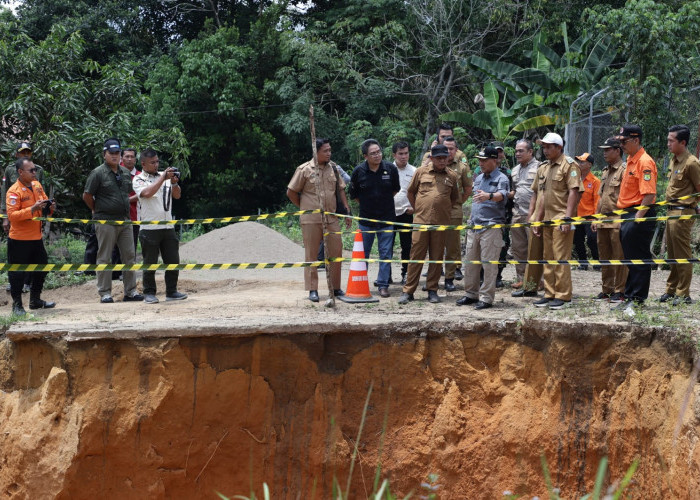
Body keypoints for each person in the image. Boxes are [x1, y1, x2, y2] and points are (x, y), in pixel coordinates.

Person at [287, 138, 350, 302]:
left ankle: (335, 288)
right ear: (316, 151)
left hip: (331, 217)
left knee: (336, 252)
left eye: (330, 150)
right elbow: (291, 192)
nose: (329, 153)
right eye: (325, 151)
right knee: (312, 255)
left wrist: (346, 209)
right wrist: (304, 206)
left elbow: (341, 190)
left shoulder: (334, 169)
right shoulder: (304, 170)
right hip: (311, 219)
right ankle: (312, 290)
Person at [83, 138, 144, 304]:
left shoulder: (124, 173)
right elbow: (87, 195)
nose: (115, 156)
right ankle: (105, 293)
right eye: (111, 153)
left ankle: (131, 291)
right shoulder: (98, 173)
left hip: (125, 221)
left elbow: (130, 193)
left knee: (129, 256)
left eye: (117, 153)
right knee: (104, 257)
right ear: (105, 154)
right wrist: (96, 210)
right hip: (105, 221)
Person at [398, 144, 459, 304]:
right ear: (431, 158)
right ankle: (408, 291)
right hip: (421, 222)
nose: (442, 161)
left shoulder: (452, 176)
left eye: (444, 158)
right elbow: (411, 192)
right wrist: (419, 208)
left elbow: (453, 198)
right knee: (416, 256)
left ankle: (432, 290)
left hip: (440, 224)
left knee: (437, 257)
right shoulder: (420, 172)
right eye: (438, 158)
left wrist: (442, 209)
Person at [531, 133, 583, 310]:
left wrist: (568, 218)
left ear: (559, 147)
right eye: (543, 147)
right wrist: (537, 220)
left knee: (560, 257)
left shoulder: (569, 165)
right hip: (547, 220)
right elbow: (541, 196)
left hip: (562, 218)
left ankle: (563, 295)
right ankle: (549, 293)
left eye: (549, 147)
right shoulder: (544, 168)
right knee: (548, 257)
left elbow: (574, 192)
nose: (545, 150)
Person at [456, 147, 509, 309]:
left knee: (489, 265)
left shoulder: (502, 178)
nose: (481, 163)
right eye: (480, 160)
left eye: (484, 160)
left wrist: (490, 196)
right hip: (474, 226)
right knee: (471, 263)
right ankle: (471, 294)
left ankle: (486, 298)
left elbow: (503, 195)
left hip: (491, 227)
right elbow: (474, 201)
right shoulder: (478, 178)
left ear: (494, 160)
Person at [132, 149, 188, 304]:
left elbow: (177, 195)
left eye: (157, 161)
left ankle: (172, 291)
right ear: (143, 164)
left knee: (173, 260)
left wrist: (175, 182)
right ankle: (149, 293)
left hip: (168, 226)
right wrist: (163, 177)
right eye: (153, 162)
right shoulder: (138, 179)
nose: (156, 165)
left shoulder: (165, 176)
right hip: (149, 228)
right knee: (150, 263)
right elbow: (148, 193)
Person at [348, 139, 400, 298]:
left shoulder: (390, 169)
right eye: (373, 153)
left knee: (385, 253)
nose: (377, 155)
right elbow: (354, 195)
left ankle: (383, 285)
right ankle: (361, 284)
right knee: (364, 254)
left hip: (386, 219)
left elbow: (395, 190)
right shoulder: (358, 171)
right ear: (365, 156)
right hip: (366, 221)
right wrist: (369, 204)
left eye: (378, 152)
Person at [614, 124, 657, 311]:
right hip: (628, 214)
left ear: (636, 140)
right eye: (620, 141)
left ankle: (638, 299)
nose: (621, 145)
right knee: (630, 259)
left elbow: (649, 195)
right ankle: (629, 296)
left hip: (639, 213)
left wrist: (637, 219)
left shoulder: (645, 162)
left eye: (624, 141)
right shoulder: (632, 160)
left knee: (639, 258)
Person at [6, 157, 56, 315]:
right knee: (17, 274)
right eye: (31, 170)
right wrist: (32, 209)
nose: (35, 172)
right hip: (19, 239)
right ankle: (17, 305)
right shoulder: (14, 191)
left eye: (35, 170)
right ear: (20, 172)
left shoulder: (37, 185)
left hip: (36, 238)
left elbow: (44, 206)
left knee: (42, 268)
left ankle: (35, 300)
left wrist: (50, 207)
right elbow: (12, 216)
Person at [659, 125, 700, 306]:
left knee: (682, 254)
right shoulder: (674, 160)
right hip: (670, 211)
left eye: (671, 140)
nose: (668, 143)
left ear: (682, 142)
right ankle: (671, 289)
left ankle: (683, 293)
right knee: (672, 253)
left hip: (683, 212)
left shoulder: (692, 163)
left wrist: (694, 205)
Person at [2, 142, 45, 293]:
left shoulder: (38, 172)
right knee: (17, 266)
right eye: (23, 152)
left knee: (40, 264)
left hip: (35, 230)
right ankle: (17, 301)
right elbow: (5, 194)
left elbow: (42, 193)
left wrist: (47, 208)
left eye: (28, 152)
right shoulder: (10, 172)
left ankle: (34, 296)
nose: (26, 154)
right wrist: (5, 216)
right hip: (19, 230)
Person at [591, 138, 628, 303]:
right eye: (603, 150)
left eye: (608, 150)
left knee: (619, 258)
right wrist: (596, 217)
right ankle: (607, 290)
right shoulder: (605, 171)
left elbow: (626, 197)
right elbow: (600, 198)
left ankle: (620, 290)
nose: (604, 153)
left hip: (617, 220)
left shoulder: (624, 170)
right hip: (603, 221)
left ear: (617, 150)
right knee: (604, 257)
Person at [442, 136, 472, 292]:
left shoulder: (462, 167)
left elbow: (468, 189)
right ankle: (433, 278)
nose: (448, 152)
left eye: (451, 149)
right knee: (434, 245)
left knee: (452, 247)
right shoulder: (432, 165)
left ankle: (449, 278)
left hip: (454, 212)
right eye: (445, 148)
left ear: (456, 150)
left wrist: (457, 202)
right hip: (435, 213)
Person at [508, 139, 539, 289]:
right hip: (517, 214)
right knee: (519, 248)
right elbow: (515, 190)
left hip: (533, 215)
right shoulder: (514, 170)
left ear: (530, 152)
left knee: (535, 250)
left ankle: (537, 281)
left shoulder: (540, 167)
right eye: (516, 151)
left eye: (521, 151)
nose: (517, 153)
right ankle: (522, 278)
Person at [392, 141, 416, 285]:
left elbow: (419, 192)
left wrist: (415, 207)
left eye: (406, 153)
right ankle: (385, 276)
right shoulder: (387, 169)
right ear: (394, 154)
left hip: (407, 213)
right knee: (386, 246)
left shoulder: (414, 171)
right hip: (389, 213)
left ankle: (405, 273)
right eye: (400, 154)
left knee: (407, 246)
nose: (403, 156)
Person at [491, 141, 513, 288]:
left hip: (504, 214)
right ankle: (483, 275)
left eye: (500, 152)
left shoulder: (508, 172)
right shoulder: (480, 172)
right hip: (487, 214)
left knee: (503, 244)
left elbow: (514, 191)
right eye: (496, 152)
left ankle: (498, 274)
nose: (499, 155)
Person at [572, 153, 600, 270]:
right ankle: (583, 263)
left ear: (589, 164)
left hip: (589, 217)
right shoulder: (574, 179)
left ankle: (598, 262)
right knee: (577, 240)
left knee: (592, 239)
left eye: (582, 162)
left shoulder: (595, 181)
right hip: (576, 216)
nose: (579, 164)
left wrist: (595, 219)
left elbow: (597, 201)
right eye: (579, 161)